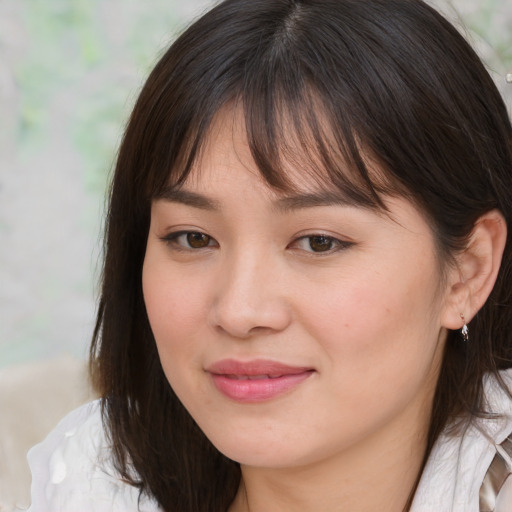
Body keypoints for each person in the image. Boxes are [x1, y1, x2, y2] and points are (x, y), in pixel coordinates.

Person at [26, 0, 512, 510]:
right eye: (193, 238)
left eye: (318, 241)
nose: (239, 311)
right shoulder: (90, 486)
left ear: (467, 272)